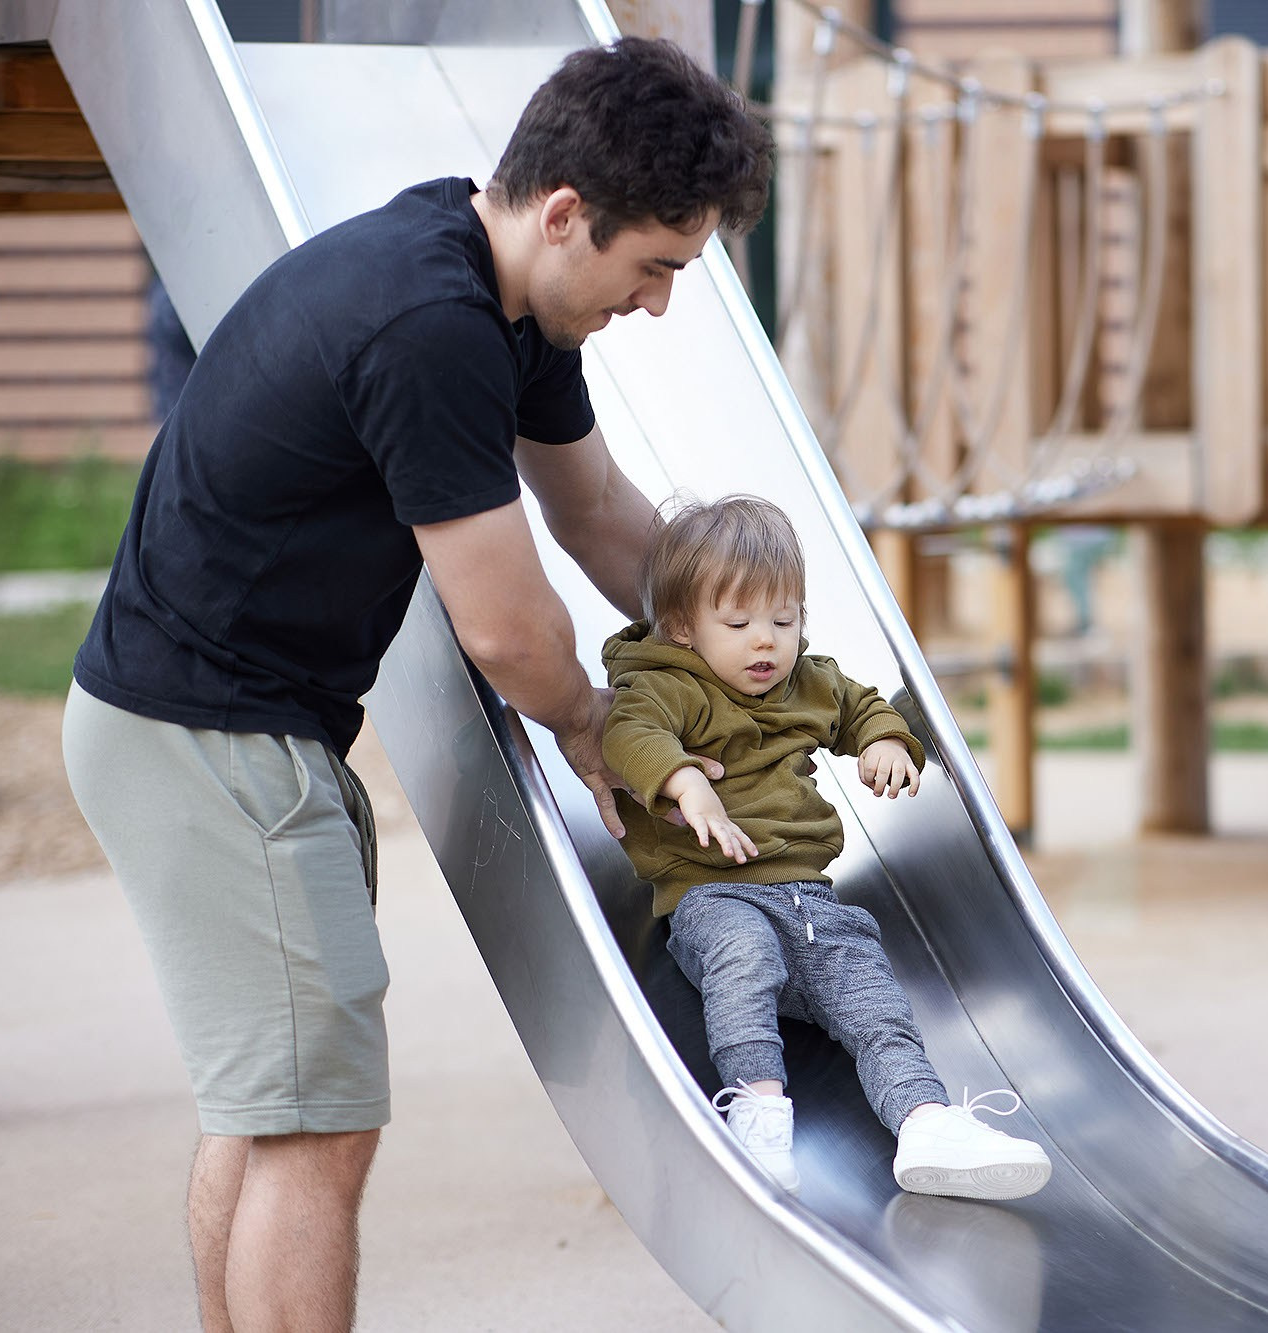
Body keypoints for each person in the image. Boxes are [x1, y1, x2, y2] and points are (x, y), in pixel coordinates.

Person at [60, 39, 773, 1333]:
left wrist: (739, 643)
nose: (661, 303)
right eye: (656, 266)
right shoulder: (431, 327)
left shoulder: (507, 298)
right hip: (210, 738)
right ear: (566, 214)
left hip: (228, 726)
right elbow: (505, 628)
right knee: (315, 1129)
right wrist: (608, 731)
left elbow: (602, 512)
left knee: (278, 1110)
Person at [602, 495, 1052, 1201]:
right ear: (684, 627)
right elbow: (630, 733)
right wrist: (685, 782)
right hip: (713, 895)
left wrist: (883, 742)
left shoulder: (809, 680)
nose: (766, 642)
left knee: (874, 1000)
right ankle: (757, 1112)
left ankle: (927, 1120)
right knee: (743, 963)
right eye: (741, 622)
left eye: (785, 620)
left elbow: (864, 704)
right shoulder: (668, 685)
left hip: (812, 901)